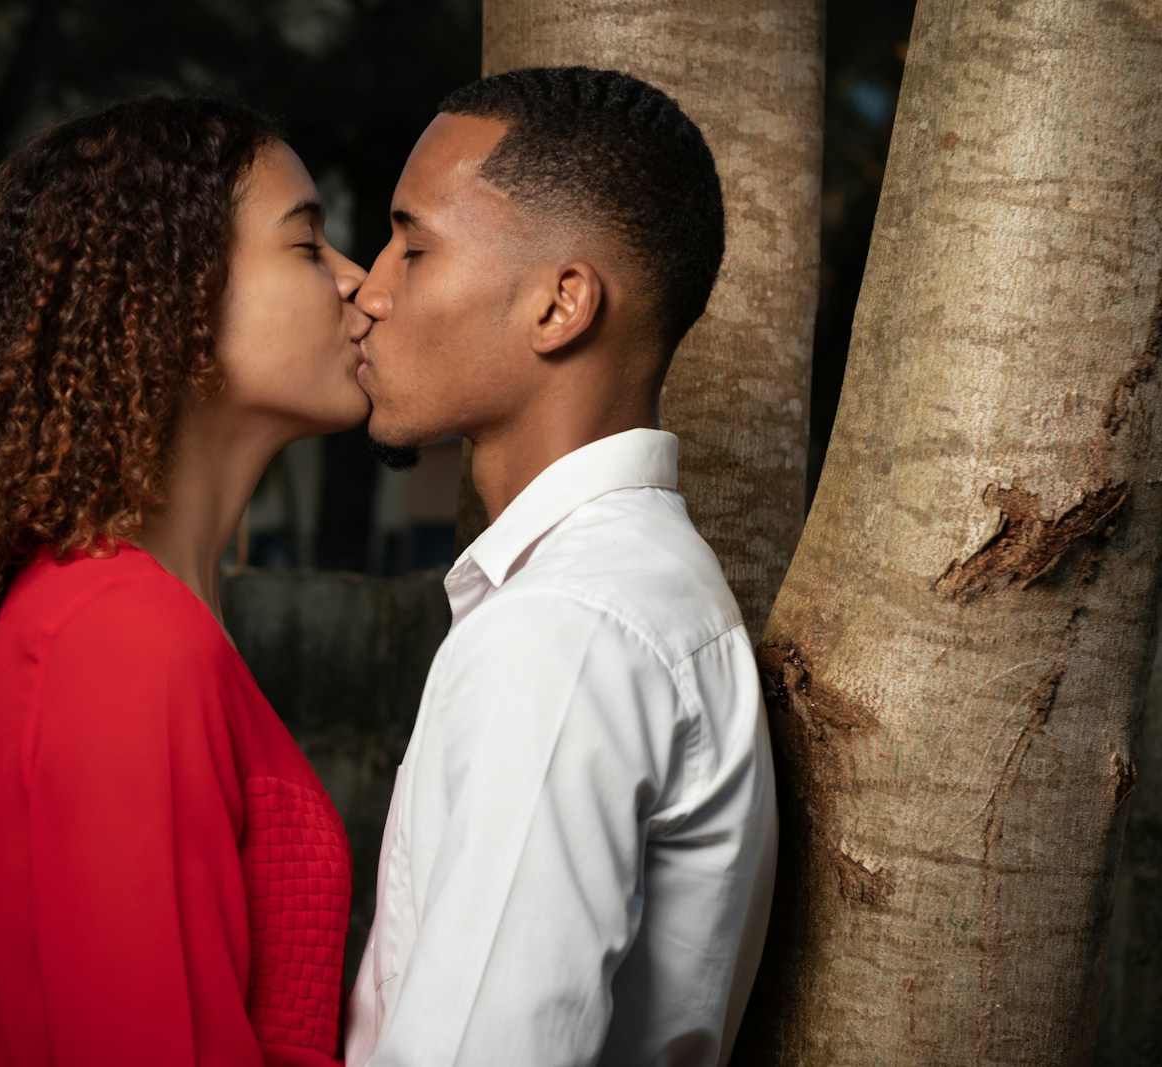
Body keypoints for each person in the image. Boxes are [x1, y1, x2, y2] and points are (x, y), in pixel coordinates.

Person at [0, 96, 371, 1066]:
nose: (359, 283)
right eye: (307, 246)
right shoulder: (123, 638)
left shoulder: (108, 612)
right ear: (168, 298)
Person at [344, 67, 778, 1066]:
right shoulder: (628, 592)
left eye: (412, 246)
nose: (369, 290)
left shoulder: (567, 628)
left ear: (559, 304)